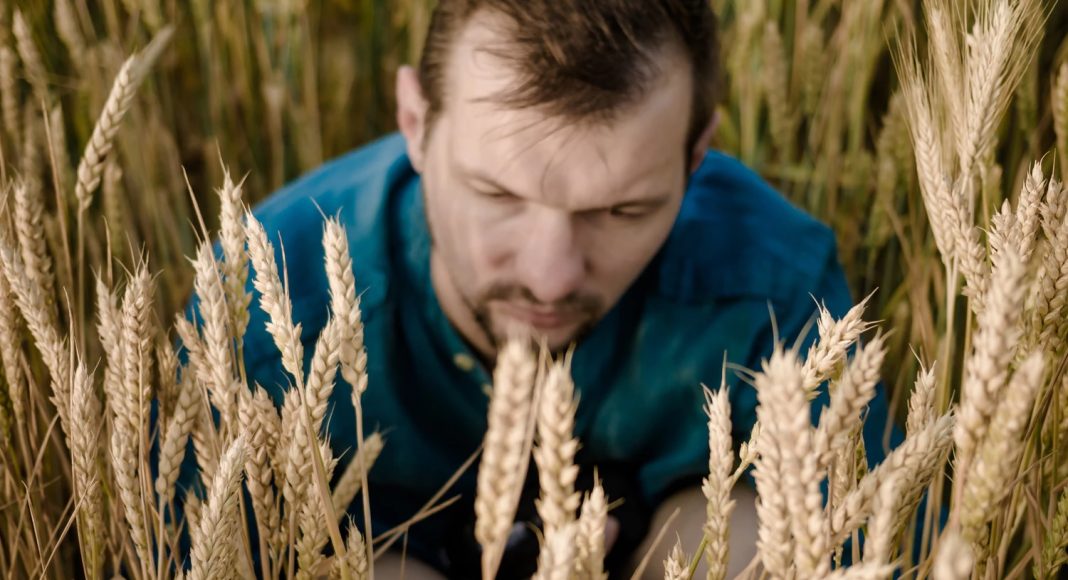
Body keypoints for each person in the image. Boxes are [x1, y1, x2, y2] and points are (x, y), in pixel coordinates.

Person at [215, 0, 897, 577]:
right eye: (497, 194)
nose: (551, 276)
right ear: (416, 126)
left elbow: (879, 536)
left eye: (622, 210)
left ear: (695, 158)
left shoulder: (776, 291)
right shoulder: (264, 319)